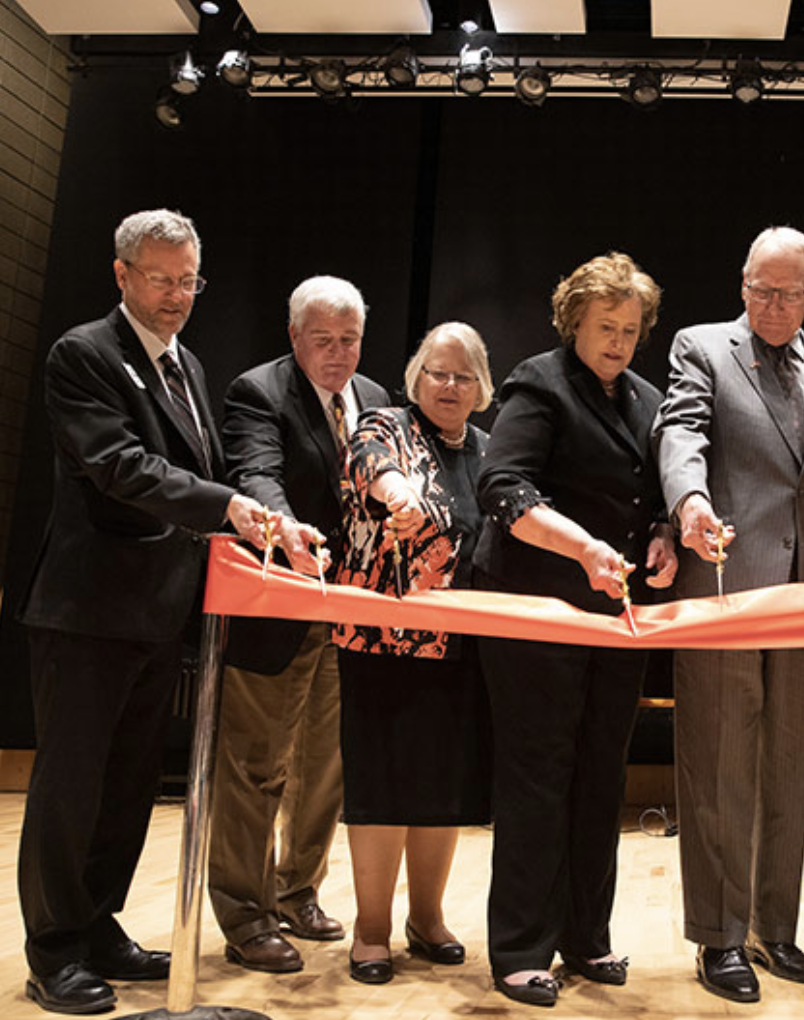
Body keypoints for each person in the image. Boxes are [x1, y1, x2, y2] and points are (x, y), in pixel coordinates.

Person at [15, 209, 275, 1014]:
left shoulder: (187, 367)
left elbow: (212, 467)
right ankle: (53, 951)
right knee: (72, 788)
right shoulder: (84, 354)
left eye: (189, 280)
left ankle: (98, 925)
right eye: (160, 279)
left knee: (129, 786)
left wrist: (258, 510)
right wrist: (227, 506)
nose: (176, 296)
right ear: (121, 275)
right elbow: (118, 466)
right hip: (87, 611)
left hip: (160, 613)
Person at [653, 226, 804, 1003]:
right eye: (759, 290)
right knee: (717, 763)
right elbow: (681, 429)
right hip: (722, 584)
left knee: (788, 768)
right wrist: (691, 501)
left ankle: (777, 929)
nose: (772, 305)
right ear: (742, 284)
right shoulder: (701, 348)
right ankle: (717, 937)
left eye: (788, 292)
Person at [474, 252, 677, 1007]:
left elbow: (649, 496)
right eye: (605, 327)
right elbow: (503, 486)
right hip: (535, 606)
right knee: (538, 775)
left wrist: (662, 534)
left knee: (602, 774)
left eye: (630, 330)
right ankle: (522, 947)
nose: (619, 342)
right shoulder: (539, 380)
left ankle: (587, 937)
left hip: (612, 614)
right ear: (573, 322)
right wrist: (584, 547)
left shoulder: (647, 398)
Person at [209, 276, 390, 972]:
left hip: (348, 613)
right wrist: (285, 530)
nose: (339, 354)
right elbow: (256, 473)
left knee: (326, 767)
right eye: (324, 341)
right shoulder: (258, 392)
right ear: (294, 337)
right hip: (276, 607)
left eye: (350, 340)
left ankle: (296, 891)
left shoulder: (374, 401)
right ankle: (244, 912)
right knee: (256, 766)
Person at [330, 321, 497, 986]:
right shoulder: (384, 424)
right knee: (383, 784)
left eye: (463, 375)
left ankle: (426, 920)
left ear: (482, 386)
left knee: (442, 785)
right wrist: (398, 491)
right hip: (382, 642)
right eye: (437, 372)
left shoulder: (490, 450)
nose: (449, 385)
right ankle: (370, 930)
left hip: (466, 645)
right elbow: (371, 466)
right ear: (415, 378)